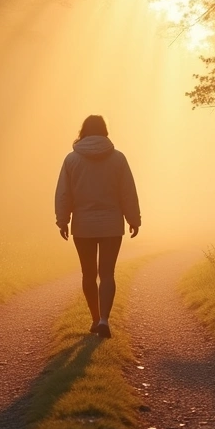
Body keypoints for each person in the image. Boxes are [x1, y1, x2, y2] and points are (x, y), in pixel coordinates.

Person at [54, 115, 140, 339]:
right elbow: (127, 191)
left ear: (83, 131)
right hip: (112, 224)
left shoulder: (71, 160)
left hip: (83, 226)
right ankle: (104, 319)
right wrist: (134, 218)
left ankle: (94, 319)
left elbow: (64, 193)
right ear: (104, 131)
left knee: (88, 273)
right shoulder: (118, 159)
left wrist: (62, 220)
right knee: (108, 273)